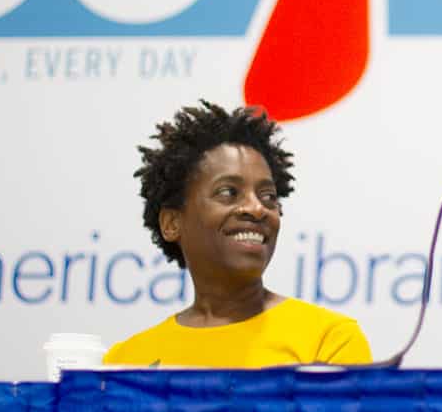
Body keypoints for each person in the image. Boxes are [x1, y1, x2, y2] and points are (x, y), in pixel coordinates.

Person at [104, 100, 372, 367]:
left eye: (268, 196)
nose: (257, 208)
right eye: (228, 192)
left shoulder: (328, 341)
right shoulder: (125, 362)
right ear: (172, 223)